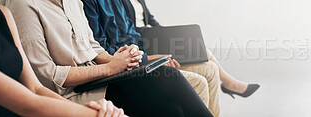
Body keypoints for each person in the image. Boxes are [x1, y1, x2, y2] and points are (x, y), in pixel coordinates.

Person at [5, 0, 213, 116]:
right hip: (73, 93)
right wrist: (110, 68)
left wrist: (117, 59)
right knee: (166, 76)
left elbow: (92, 47)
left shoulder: (72, 1)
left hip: (101, 80)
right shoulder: (24, 5)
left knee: (172, 111)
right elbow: (46, 76)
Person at [81, 0, 221, 116]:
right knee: (198, 82)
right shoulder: (88, 3)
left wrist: (160, 40)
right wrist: (149, 57)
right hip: (128, 65)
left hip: (141, 53)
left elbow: (133, 33)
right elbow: (102, 49)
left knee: (210, 69)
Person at [0, 2, 126, 117]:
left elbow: (35, 89)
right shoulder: (22, 5)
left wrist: (94, 110)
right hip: (63, 95)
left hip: (64, 99)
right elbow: (30, 104)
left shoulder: (4, 14)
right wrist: (92, 113)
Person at [123, 0, 260, 99]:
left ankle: (229, 83)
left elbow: (151, 20)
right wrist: (146, 30)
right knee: (199, 49)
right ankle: (229, 83)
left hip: (154, 38)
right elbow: (125, 30)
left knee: (197, 46)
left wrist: (166, 33)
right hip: (144, 45)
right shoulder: (117, 3)